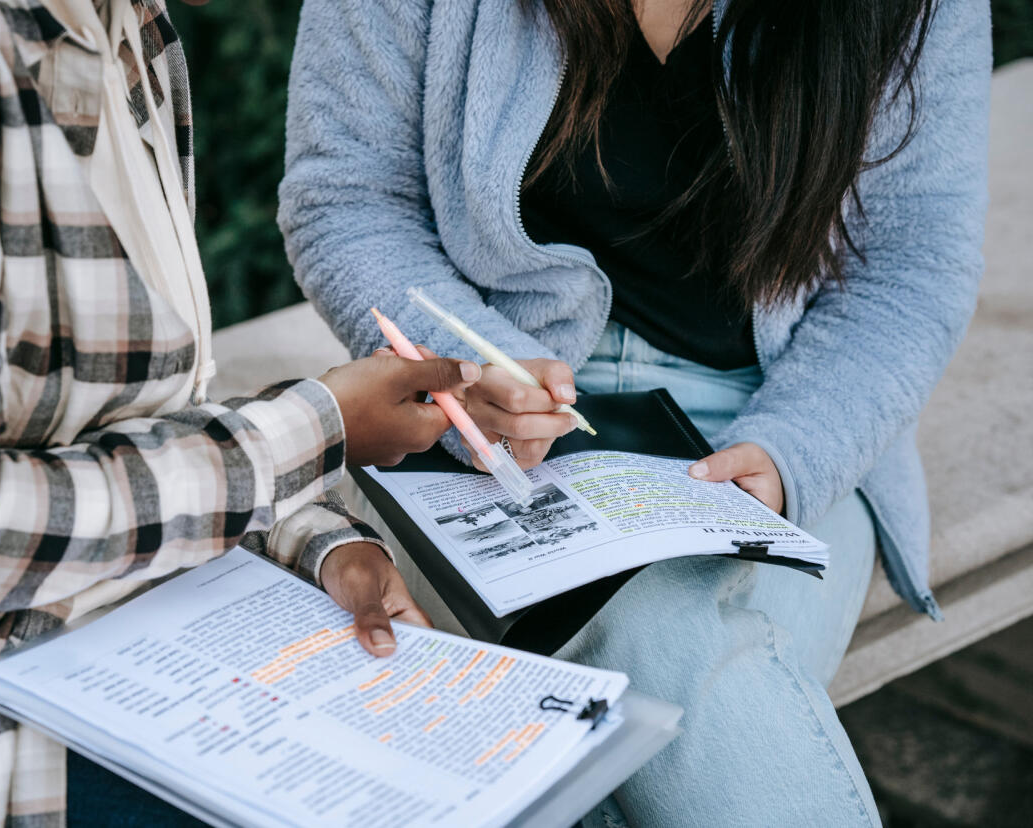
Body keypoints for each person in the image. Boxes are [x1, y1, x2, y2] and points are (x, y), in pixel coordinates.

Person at [279, 0, 990, 824]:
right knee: (655, 656)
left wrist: (797, 449)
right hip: (484, 423)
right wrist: (472, 367)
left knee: (636, 643)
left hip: (779, 415)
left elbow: (912, 262)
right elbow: (348, 197)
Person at [0, 0, 481, 823]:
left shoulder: (135, 27)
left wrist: (317, 542)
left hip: (153, 652)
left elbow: (144, 423)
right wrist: (317, 430)